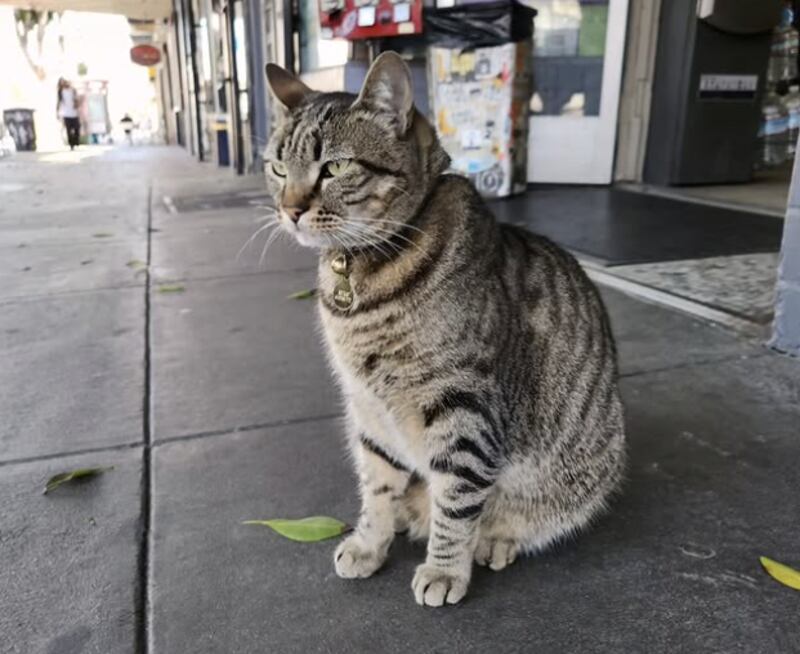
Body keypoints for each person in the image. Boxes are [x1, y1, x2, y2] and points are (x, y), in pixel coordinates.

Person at [56, 78, 80, 150]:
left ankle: (75, 141)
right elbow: (58, 102)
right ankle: (71, 145)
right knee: (68, 130)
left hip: (74, 113)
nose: (63, 84)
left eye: (64, 82)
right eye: (61, 83)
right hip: (66, 114)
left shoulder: (72, 90)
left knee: (77, 128)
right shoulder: (60, 92)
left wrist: (77, 105)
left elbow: (77, 99)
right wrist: (57, 112)